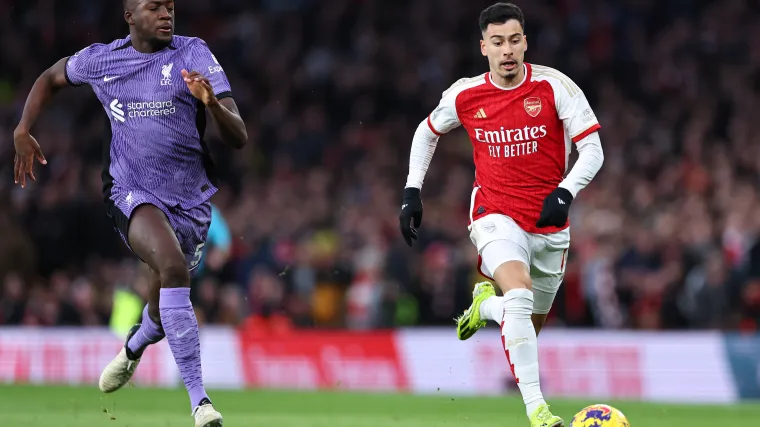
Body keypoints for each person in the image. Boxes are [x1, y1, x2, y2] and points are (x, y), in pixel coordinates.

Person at [13, 0, 247, 425]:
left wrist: (211, 103)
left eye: (170, 7)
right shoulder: (103, 60)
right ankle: (200, 402)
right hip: (130, 193)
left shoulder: (193, 53)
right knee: (175, 269)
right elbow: (50, 77)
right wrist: (22, 128)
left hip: (189, 202)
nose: (166, 14)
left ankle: (136, 343)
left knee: (165, 294)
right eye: (154, 7)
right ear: (129, 16)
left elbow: (239, 136)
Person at [398, 3, 604, 426]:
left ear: (525, 42)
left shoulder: (554, 87)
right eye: (497, 42)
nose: (506, 50)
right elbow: (426, 131)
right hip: (495, 214)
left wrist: (565, 191)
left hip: (550, 225)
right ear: (484, 47)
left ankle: (487, 306)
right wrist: (412, 190)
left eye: (514, 40)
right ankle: (538, 410)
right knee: (520, 293)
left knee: (525, 321)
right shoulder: (465, 94)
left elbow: (593, 151)